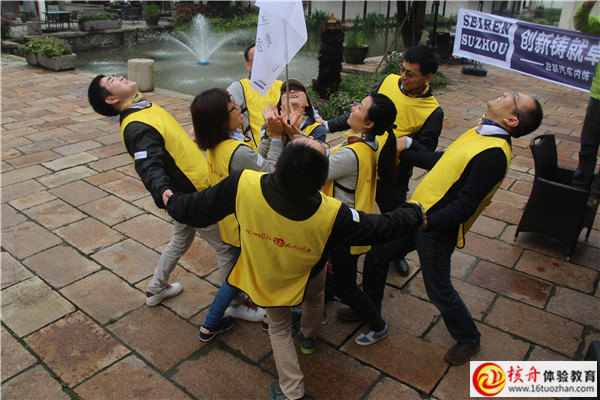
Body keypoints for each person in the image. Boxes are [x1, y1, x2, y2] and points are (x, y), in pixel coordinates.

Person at [165, 138, 424, 400]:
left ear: (277, 165)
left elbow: (197, 208)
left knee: (279, 327)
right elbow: (380, 227)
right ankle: (309, 338)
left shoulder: (243, 183)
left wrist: (169, 198)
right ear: (321, 181)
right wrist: (414, 212)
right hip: (310, 271)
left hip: (270, 275)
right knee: (315, 298)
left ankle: (291, 390)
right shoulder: (333, 213)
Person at [363, 92, 543, 366]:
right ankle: (368, 310)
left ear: (511, 120)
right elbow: (444, 160)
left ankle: (469, 338)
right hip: (418, 212)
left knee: (438, 289)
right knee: (377, 255)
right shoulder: (481, 131)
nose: (506, 94)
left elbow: (466, 205)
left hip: (436, 228)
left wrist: (429, 223)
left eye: (514, 98)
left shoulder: (493, 154)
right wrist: (405, 152)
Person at [87, 75, 230, 307]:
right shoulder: (136, 126)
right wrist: (162, 190)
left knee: (180, 241)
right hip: (191, 195)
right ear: (111, 99)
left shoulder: (142, 107)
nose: (120, 76)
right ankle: (234, 305)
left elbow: (165, 143)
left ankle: (156, 288)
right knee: (227, 249)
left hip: (186, 191)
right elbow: (148, 164)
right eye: (112, 80)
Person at [319, 45, 443, 278]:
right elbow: (363, 113)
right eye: (402, 69)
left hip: (391, 175)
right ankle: (347, 253)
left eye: (410, 74)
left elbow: (427, 152)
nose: (403, 77)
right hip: (362, 165)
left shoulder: (432, 111)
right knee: (357, 210)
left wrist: (408, 142)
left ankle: (395, 254)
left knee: (394, 218)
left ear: (428, 77)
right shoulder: (388, 81)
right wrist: (326, 126)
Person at [189, 88, 285, 322]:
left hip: (228, 218)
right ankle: (213, 320)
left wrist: (267, 136)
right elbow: (270, 173)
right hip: (243, 222)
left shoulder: (219, 144)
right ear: (220, 120)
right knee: (237, 272)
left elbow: (253, 158)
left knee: (237, 267)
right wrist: (277, 138)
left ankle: (234, 306)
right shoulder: (236, 151)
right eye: (232, 106)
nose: (239, 107)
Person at [322, 93, 398, 345]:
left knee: (346, 287)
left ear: (369, 124)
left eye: (360, 107)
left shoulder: (351, 154)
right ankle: (326, 296)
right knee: (332, 270)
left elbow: (315, 170)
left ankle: (379, 325)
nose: (354, 107)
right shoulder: (370, 144)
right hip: (356, 223)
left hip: (344, 229)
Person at [227, 43, 284, 148]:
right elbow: (218, 110)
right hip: (258, 151)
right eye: (257, 59)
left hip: (285, 147)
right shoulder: (240, 87)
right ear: (247, 65)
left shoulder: (281, 86)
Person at [572, 0, 600, 207]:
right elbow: (581, 23)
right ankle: (579, 187)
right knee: (588, 144)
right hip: (598, 97)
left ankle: (596, 192)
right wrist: (588, 4)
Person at [260, 79, 326, 145]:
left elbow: (313, 151)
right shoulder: (271, 124)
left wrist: (297, 134)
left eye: (298, 89)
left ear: (307, 103)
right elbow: (264, 151)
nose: (292, 91)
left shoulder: (317, 128)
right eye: (286, 90)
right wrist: (275, 134)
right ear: (281, 102)